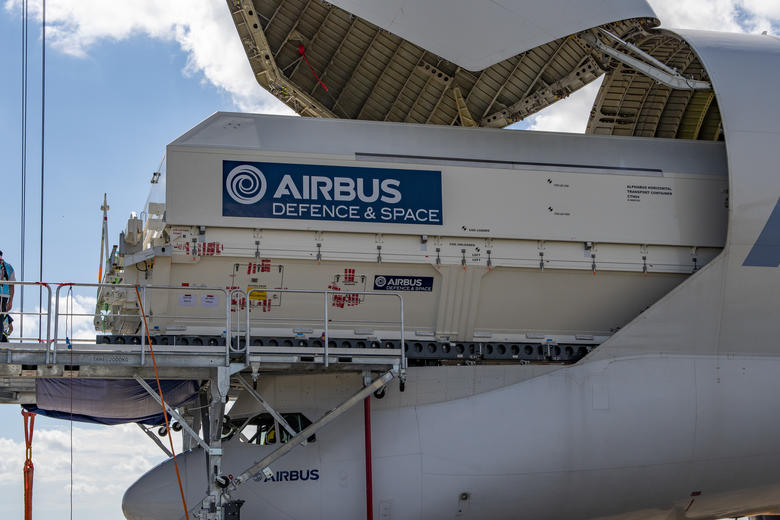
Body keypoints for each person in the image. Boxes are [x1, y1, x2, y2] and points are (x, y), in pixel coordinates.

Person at [0, 251, 15, 343]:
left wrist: (10, 301)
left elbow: (12, 285)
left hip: (2, 295)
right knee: (0, 317)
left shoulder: (7, 267)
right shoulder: (9, 267)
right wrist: (10, 301)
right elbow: (12, 285)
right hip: (4, 296)